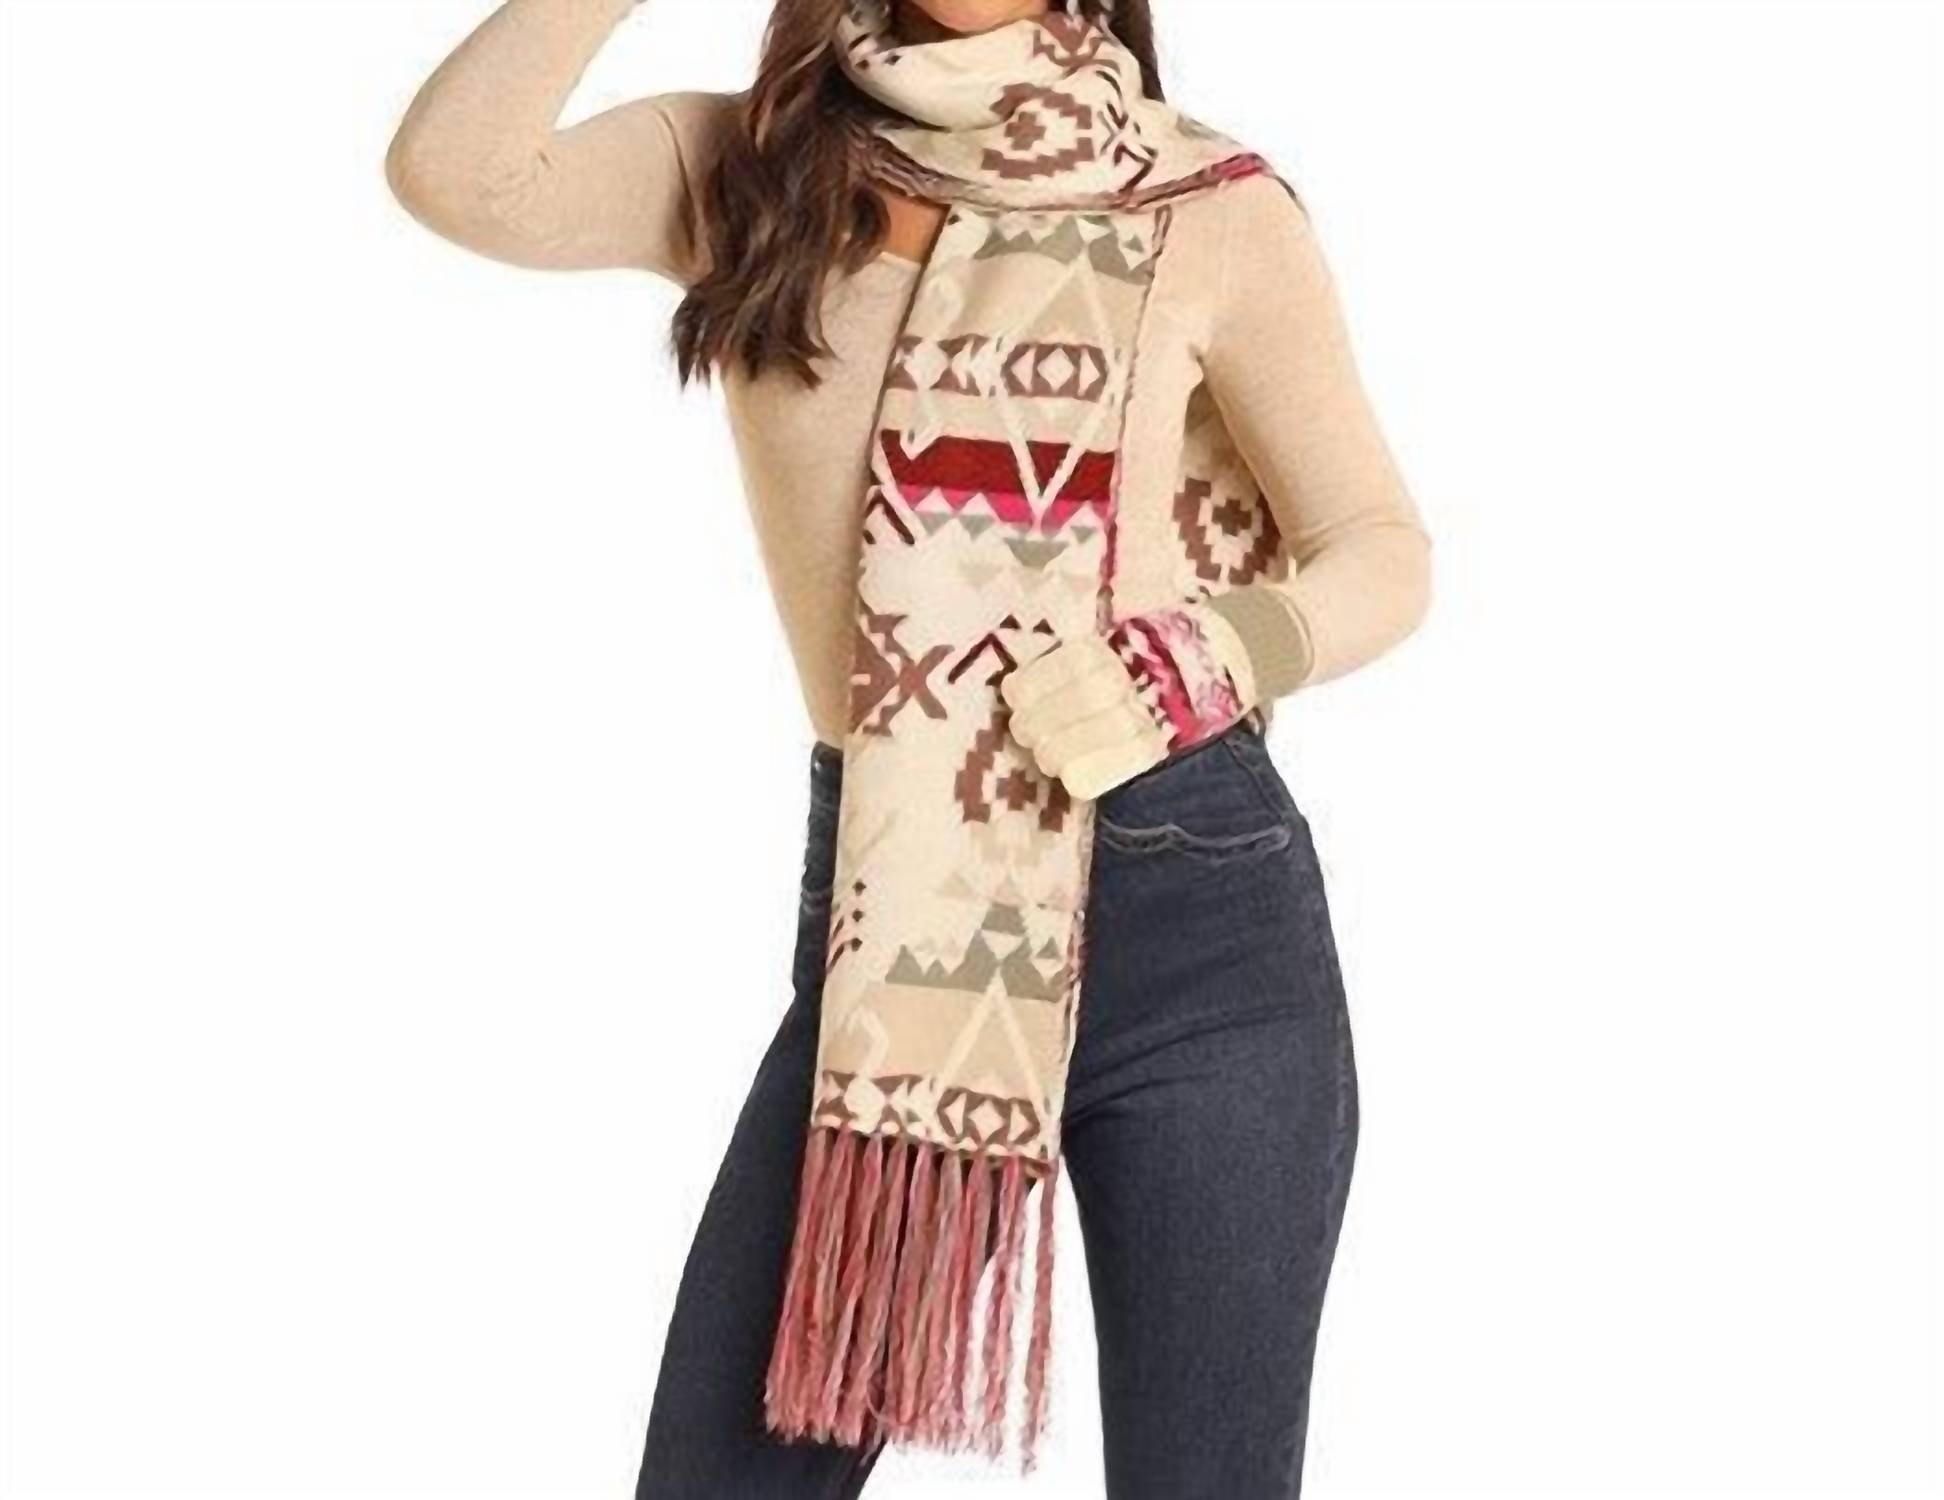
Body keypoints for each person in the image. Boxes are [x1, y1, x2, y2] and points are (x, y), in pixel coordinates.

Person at [386, 1, 1431, 1494]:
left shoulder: (1206, 204)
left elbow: (1376, 544)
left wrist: (1196, 662)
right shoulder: (748, 169)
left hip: (1197, 909)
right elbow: (458, 170)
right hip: (906, 920)